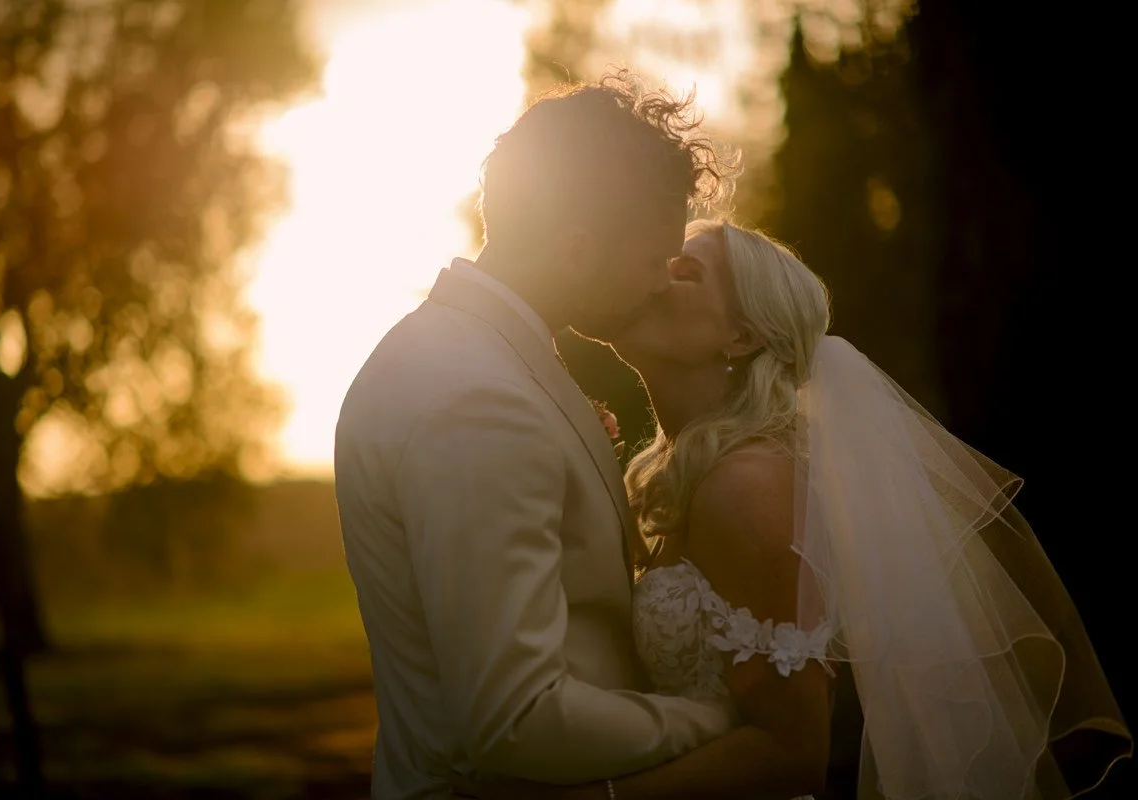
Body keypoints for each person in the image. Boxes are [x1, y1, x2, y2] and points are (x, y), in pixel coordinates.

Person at [458, 220, 1133, 799]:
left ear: (742, 337)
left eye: (685, 271)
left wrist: (594, 799)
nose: (655, 276)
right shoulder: (677, 473)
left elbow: (792, 752)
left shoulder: (746, 485)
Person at [333, 72, 740, 800]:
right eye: (653, 261)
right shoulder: (476, 397)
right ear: (580, 250)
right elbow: (518, 716)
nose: (659, 285)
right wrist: (716, 723)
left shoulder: (472, 355)